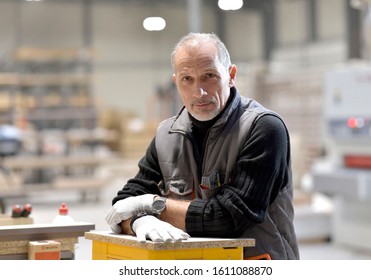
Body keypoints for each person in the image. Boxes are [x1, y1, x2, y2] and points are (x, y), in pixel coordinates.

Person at [106, 32, 299, 260]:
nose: (199, 92)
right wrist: (140, 220)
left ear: (231, 75)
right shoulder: (167, 135)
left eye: (209, 76)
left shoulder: (264, 128)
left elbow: (227, 219)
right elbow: (123, 204)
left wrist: (152, 205)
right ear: (176, 81)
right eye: (187, 79)